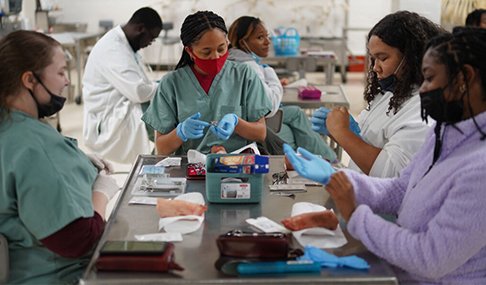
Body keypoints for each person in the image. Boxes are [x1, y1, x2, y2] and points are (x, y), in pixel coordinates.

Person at [283, 26, 486, 284]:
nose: (422, 90)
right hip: (399, 267)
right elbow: (403, 189)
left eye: (430, 78)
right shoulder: (445, 131)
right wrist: (339, 178)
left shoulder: (480, 169)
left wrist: (356, 215)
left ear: (464, 78)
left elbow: (431, 257)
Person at [0, 30, 120, 284]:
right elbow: (78, 240)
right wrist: (101, 191)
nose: (67, 82)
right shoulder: (36, 146)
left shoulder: (10, 126)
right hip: (53, 275)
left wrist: (76, 161)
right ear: (30, 80)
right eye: (61, 72)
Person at [311, 11, 445, 178]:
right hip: (363, 189)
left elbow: (392, 172)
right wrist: (337, 130)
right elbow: (361, 144)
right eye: (373, 59)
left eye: (383, 59)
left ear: (411, 57)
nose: (375, 68)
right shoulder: (391, 93)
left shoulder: (423, 111)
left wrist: (342, 132)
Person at [142, 11, 273, 155]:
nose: (216, 57)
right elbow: (161, 148)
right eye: (206, 52)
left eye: (221, 49)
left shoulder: (244, 75)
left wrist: (237, 123)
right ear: (190, 51)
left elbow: (260, 133)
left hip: (237, 166)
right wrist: (180, 132)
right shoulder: (171, 84)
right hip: (191, 168)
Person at [227, 16, 337, 162]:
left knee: (295, 126)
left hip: (249, 121)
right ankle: (331, 161)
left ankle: (326, 160)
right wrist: (271, 76)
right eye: (260, 37)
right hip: (255, 124)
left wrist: (271, 81)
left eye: (267, 36)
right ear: (243, 43)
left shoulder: (234, 58)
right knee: (296, 120)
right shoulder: (249, 66)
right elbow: (269, 105)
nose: (267, 42)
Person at [83, 7, 162, 164]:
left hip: (124, 103)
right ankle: (156, 167)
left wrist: (158, 84)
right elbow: (138, 92)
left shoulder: (122, 43)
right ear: (140, 28)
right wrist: (165, 85)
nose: (149, 44)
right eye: (151, 38)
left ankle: (157, 163)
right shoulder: (113, 49)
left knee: (167, 125)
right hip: (112, 114)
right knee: (168, 125)